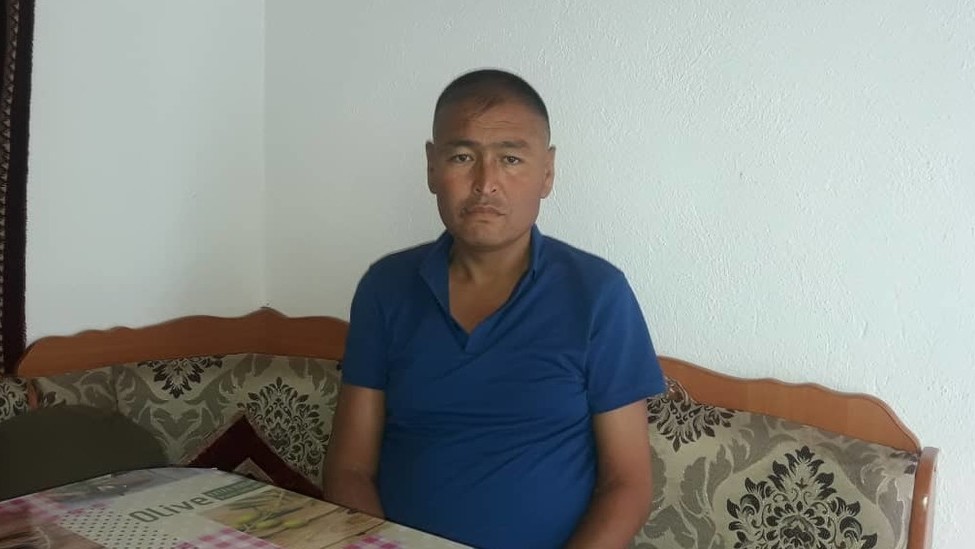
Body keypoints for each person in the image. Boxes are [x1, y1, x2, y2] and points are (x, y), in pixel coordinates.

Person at [324, 69, 666, 549]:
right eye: (463, 157)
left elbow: (627, 486)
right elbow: (349, 469)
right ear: (432, 167)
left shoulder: (597, 295)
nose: (485, 183)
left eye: (510, 159)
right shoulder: (386, 288)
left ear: (547, 172)